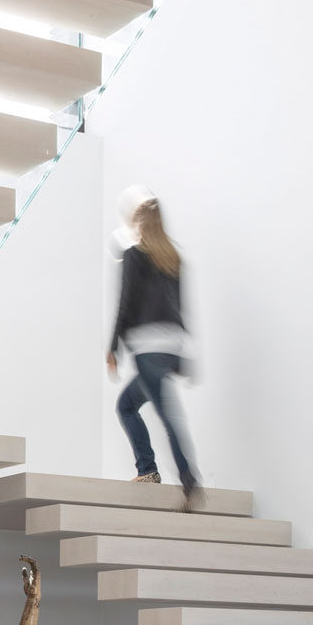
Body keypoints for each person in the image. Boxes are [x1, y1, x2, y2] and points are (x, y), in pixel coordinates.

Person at [107, 196, 203, 508]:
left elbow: (126, 302)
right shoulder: (173, 257)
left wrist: (113, 347)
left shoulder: (135, 255)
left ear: (138, 224)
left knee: (167, 415)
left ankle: (188, 480)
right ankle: (147, 470)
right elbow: (181, 307)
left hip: (147, 347)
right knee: (127, 405)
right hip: (170, 345)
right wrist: (181, 356)